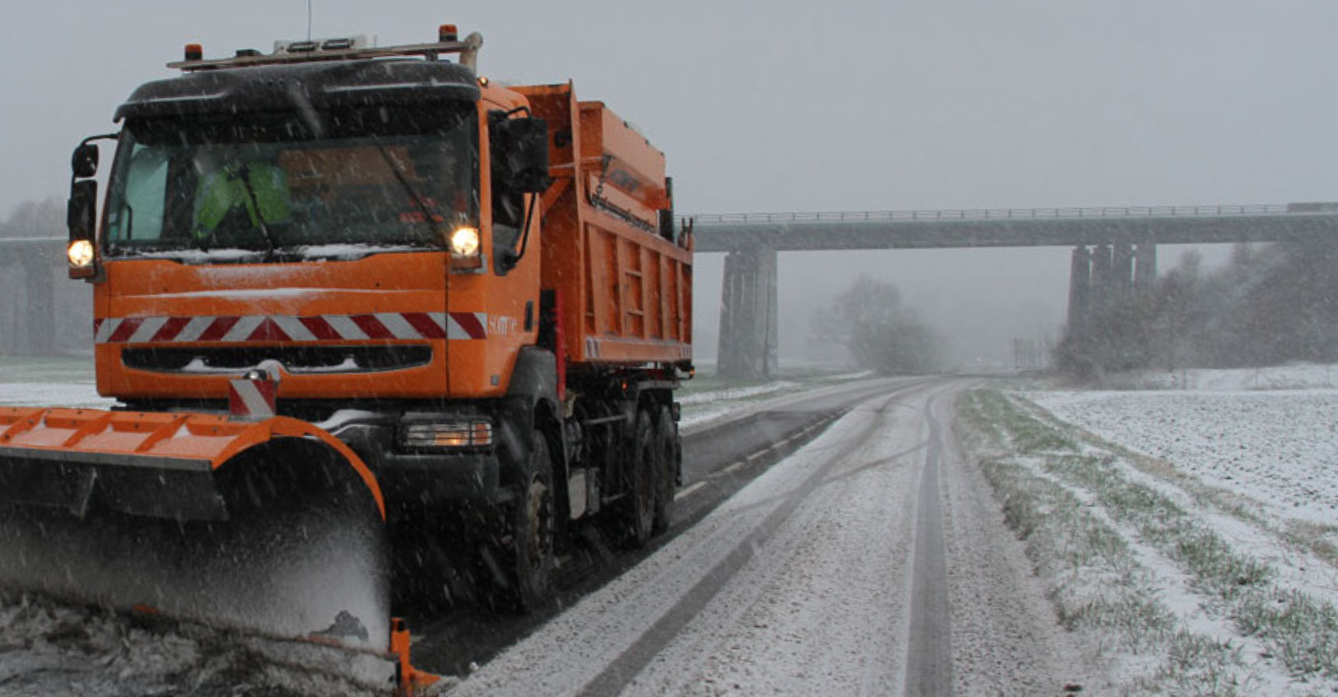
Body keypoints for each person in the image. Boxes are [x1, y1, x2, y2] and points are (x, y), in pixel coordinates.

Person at [192, 151, 291, 243]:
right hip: (274, 251)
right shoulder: (273, 177)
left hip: (211, 252)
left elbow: (198, 235)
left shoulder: (211, 181)